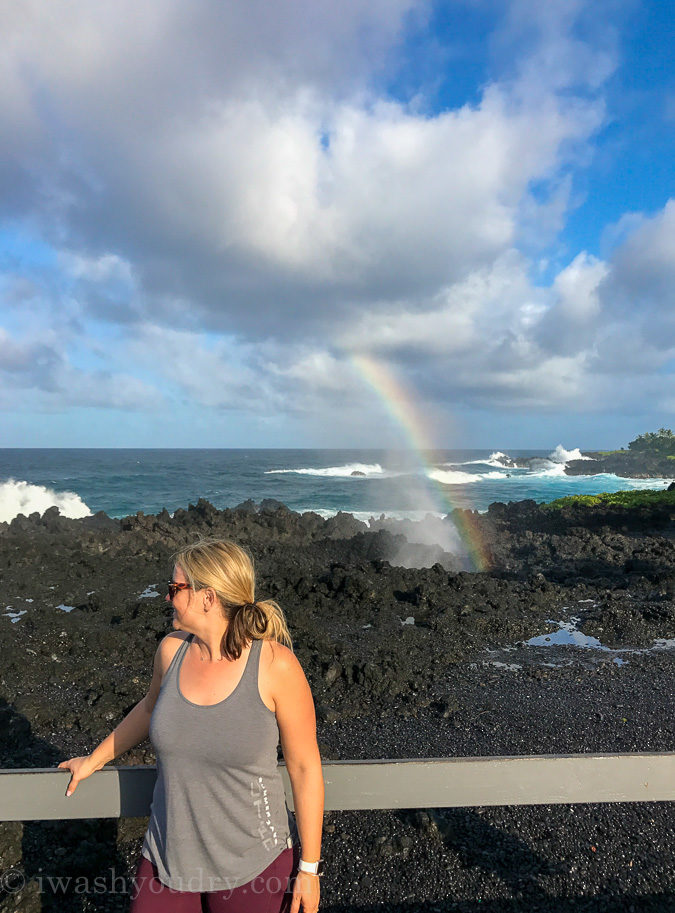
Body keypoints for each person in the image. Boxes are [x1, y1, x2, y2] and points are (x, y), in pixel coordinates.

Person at [58, 538, 324, 912]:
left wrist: (309, 870)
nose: (167, 597)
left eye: (175, 588)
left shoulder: (275, 666)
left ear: (208, 598)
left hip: (253, 864)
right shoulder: (171, 650)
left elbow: (305, 768)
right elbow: (148, 710)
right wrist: (94, 760)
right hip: (167, 859)